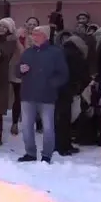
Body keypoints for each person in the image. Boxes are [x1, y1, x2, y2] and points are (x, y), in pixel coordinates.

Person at [16, 25, 68, 163]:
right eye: (33, 34)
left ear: (45, 36)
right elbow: (17, 71)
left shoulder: (55, 53)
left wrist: (50, 84)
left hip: (47, 97)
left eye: (37, 34)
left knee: (48, 128)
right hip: (28, 94)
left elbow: (63, 74)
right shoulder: (27, 52)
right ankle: (30, 153)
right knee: (27, 127)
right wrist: (20, 69)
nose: (34, 36)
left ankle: (47, 155)